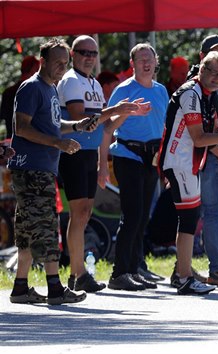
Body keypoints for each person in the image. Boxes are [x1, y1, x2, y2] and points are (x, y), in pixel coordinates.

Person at [57, 35, 150, 293]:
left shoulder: (95, 84)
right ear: (73, 54)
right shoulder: (71, 80)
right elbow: (81, 119)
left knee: (86, 213)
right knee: (78, 215)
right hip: (72, 153)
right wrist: (116, 108)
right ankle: (77, 272)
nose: (89, 57)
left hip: (88, 154)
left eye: (93, 53)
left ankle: (79, 272)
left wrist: (125, 112)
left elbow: (104, 127)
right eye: (84, 52)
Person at [8, 38, 97, 305]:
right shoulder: (32, 88)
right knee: (47, 227)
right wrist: (58, 142)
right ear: (42, 61)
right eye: (57, 62)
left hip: (40, 168)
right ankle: (55, 288)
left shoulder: (50, 89)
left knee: (25, 231)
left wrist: (78, 126)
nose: (62, 67)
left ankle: (20, 288)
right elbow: (21, 128)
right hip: (32, 169)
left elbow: (53, 124)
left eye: (65, 63)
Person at [158, 51, 218, 295]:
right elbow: (199, 138)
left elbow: (209, 132)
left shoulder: (206, 95)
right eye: (211, 71)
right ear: (201, 68)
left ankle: (183, 272)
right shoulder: (191, 93)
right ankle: (183, 277)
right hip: (179, 161)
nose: (216, 78)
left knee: (190, 219)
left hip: (187, 163)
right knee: (189, 219)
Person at [105, 43, 168, 291]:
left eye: (149, 58)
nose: (146, 63)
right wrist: (128, 112)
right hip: (127, 154)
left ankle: (135, 268)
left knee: (142, 217)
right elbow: (108, 127)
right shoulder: (124, 89)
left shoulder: (162, 91)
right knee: (131, 215)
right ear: (132, 64)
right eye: (140, 59)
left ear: (156, 62)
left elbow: (165, 126)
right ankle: (119, 273)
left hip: (152, 157)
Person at [1, 55, 39, 138]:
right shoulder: (33, 91)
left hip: (11, 140)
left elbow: (3, 116)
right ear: (34, 69)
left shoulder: (8, 92)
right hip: (30, 141)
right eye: (38, 69)